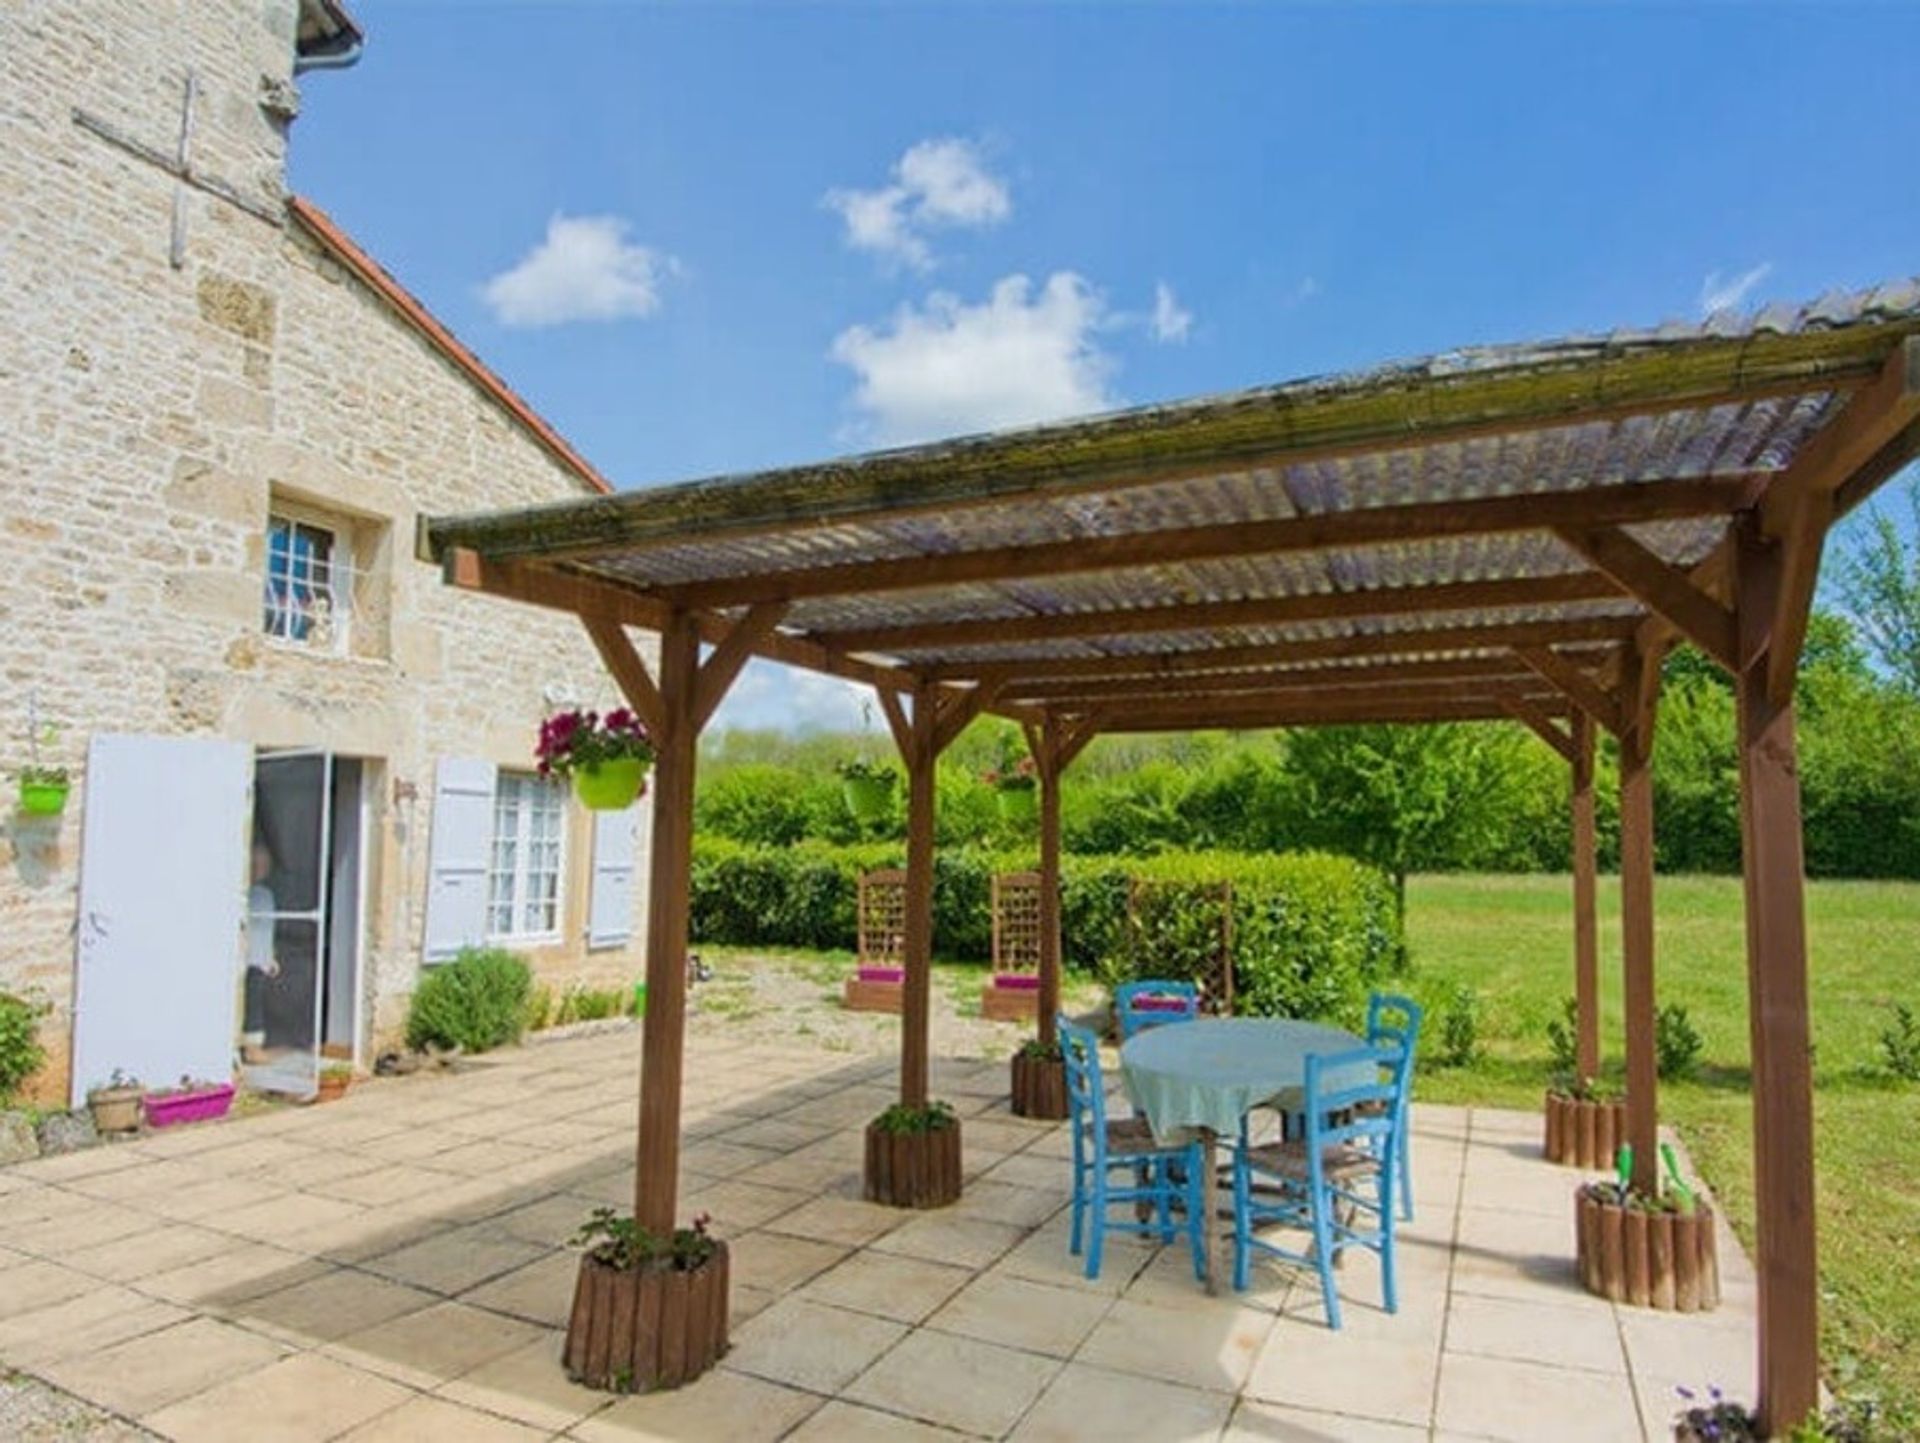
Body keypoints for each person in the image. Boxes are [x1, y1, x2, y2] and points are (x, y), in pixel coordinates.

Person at [242, 838, 281, 1064]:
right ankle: (251, 1050)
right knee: (250, 1004)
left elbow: (268, 927)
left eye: (265, 863)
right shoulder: (243, 895)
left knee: (259, 1003)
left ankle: (257, 1045)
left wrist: (272, 955)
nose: (260, 868)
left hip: (262, 959)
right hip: (247, 960)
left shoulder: (265, 894)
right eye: (256, 863)